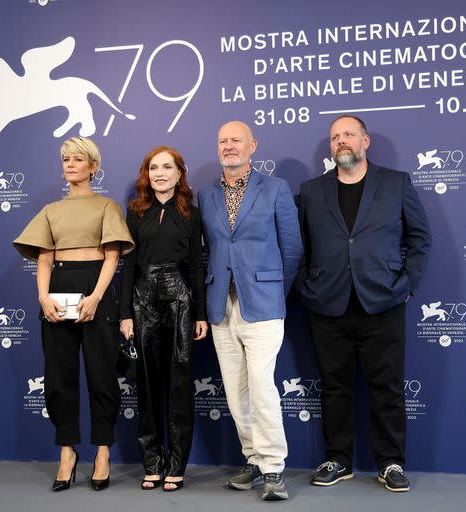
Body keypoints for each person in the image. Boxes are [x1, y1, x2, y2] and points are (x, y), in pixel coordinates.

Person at [295, 115, 431, 492]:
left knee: (386, 385)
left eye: (349, 135)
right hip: (327, 303)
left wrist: (405, 285)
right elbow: (298, 247)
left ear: (365, 141)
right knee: (334, 385)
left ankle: (391, 463)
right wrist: (306, 287)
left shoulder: (396, 182)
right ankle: (338, 459)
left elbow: (420, 238)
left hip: (383, 302)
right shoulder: (310, 191)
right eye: (335, 137)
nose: (342, 141)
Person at [13, 136, 135, 492]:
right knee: (58, 378)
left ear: (93, 167)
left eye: (78, 159)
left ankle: (102, 452)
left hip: (97, 291)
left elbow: (112, 256)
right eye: (66, 159)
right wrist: (43, 298)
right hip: (57, 294)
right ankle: (67, 452)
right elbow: (45, 259)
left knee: (102, 376)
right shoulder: (51, 210)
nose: (70, 164)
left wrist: (96, 296)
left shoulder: (107, 206)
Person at [198, 121, 303, 501]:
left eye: (236, 140)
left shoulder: (275, 188)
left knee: (261, 387)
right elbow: (205, 250)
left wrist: (274, 289)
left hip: (263, 304)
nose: (229, 146)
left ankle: (274, 467)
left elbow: (292, 249)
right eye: (223, 140)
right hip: (220, 306)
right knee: (235, 392)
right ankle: (254, 460)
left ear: (252, 146)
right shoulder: (206, 195)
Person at [118, 146, 208, 492]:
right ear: (147, 174)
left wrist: (200, 312)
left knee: (180, 382)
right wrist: (125, 313)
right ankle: (151, 462)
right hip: (143, 299)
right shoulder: (136, 211)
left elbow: (198, 266)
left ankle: (176, 464)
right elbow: (128, 266)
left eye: (167, 167)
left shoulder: (191, 213)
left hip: (181, 298)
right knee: (146, 383)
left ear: (179, 173)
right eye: (153, 168)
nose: (160, 173)